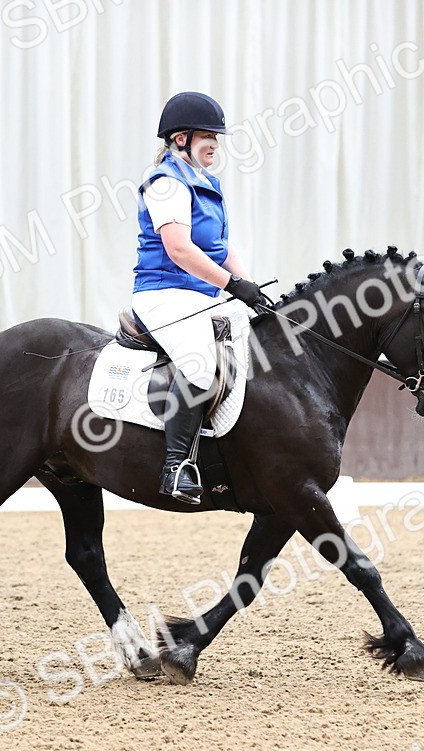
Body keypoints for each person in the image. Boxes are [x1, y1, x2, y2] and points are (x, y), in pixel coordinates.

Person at [131, 91, 269, 505]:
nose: (216, 144)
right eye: (208, 135)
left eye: (217, 136)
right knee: (200, 359)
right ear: (180, 139)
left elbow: (221, 248)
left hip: (202, 295)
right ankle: (176, 468)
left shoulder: (209, 184)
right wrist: (231, 285)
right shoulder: (165, 184)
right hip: (163, 294)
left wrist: (251, 289)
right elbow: (180, 250)